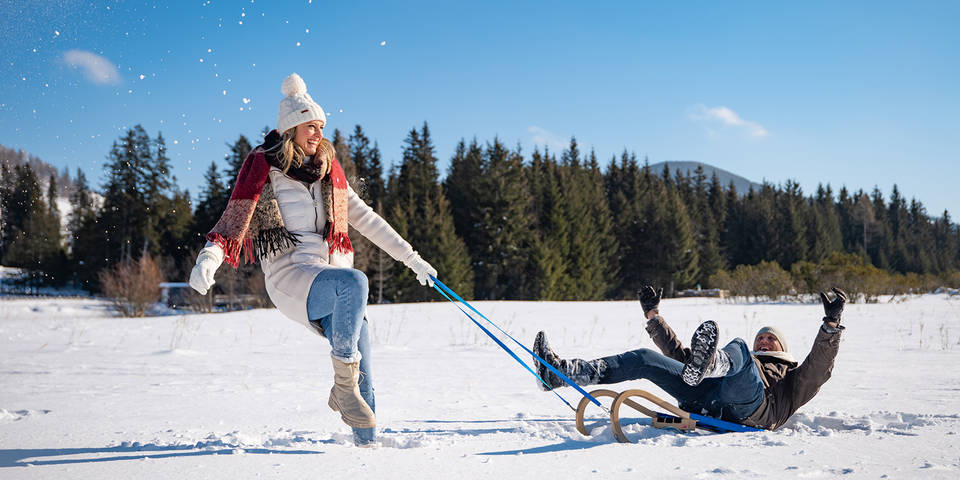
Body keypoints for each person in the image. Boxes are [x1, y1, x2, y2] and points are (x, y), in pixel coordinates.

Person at [189, 73, 437, 446]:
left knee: (362, 363)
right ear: (291, 129)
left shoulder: (328, 173)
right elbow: (233, 220)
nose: (318, 133)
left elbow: (367, 219)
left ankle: (367, 445)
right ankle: (342, 387)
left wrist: (412, 258)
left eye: (321, 126)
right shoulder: (264, 169)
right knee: (356, 284)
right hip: (290, 277)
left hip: (327, 278)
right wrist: (209, 258)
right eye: (310, 126)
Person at [532, 286, 847, 430]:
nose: (764, 340)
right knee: (645, 357)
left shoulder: (791, 376)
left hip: (757, 409)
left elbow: (819, 368)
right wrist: (653, 316)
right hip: (707, 397)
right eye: (761, 338)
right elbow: (682, 359)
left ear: (781, 347)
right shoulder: (742, 360)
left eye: (770, 338)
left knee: (737, 348)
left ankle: (711, 365)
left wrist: (831, 325)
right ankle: (559, 374)